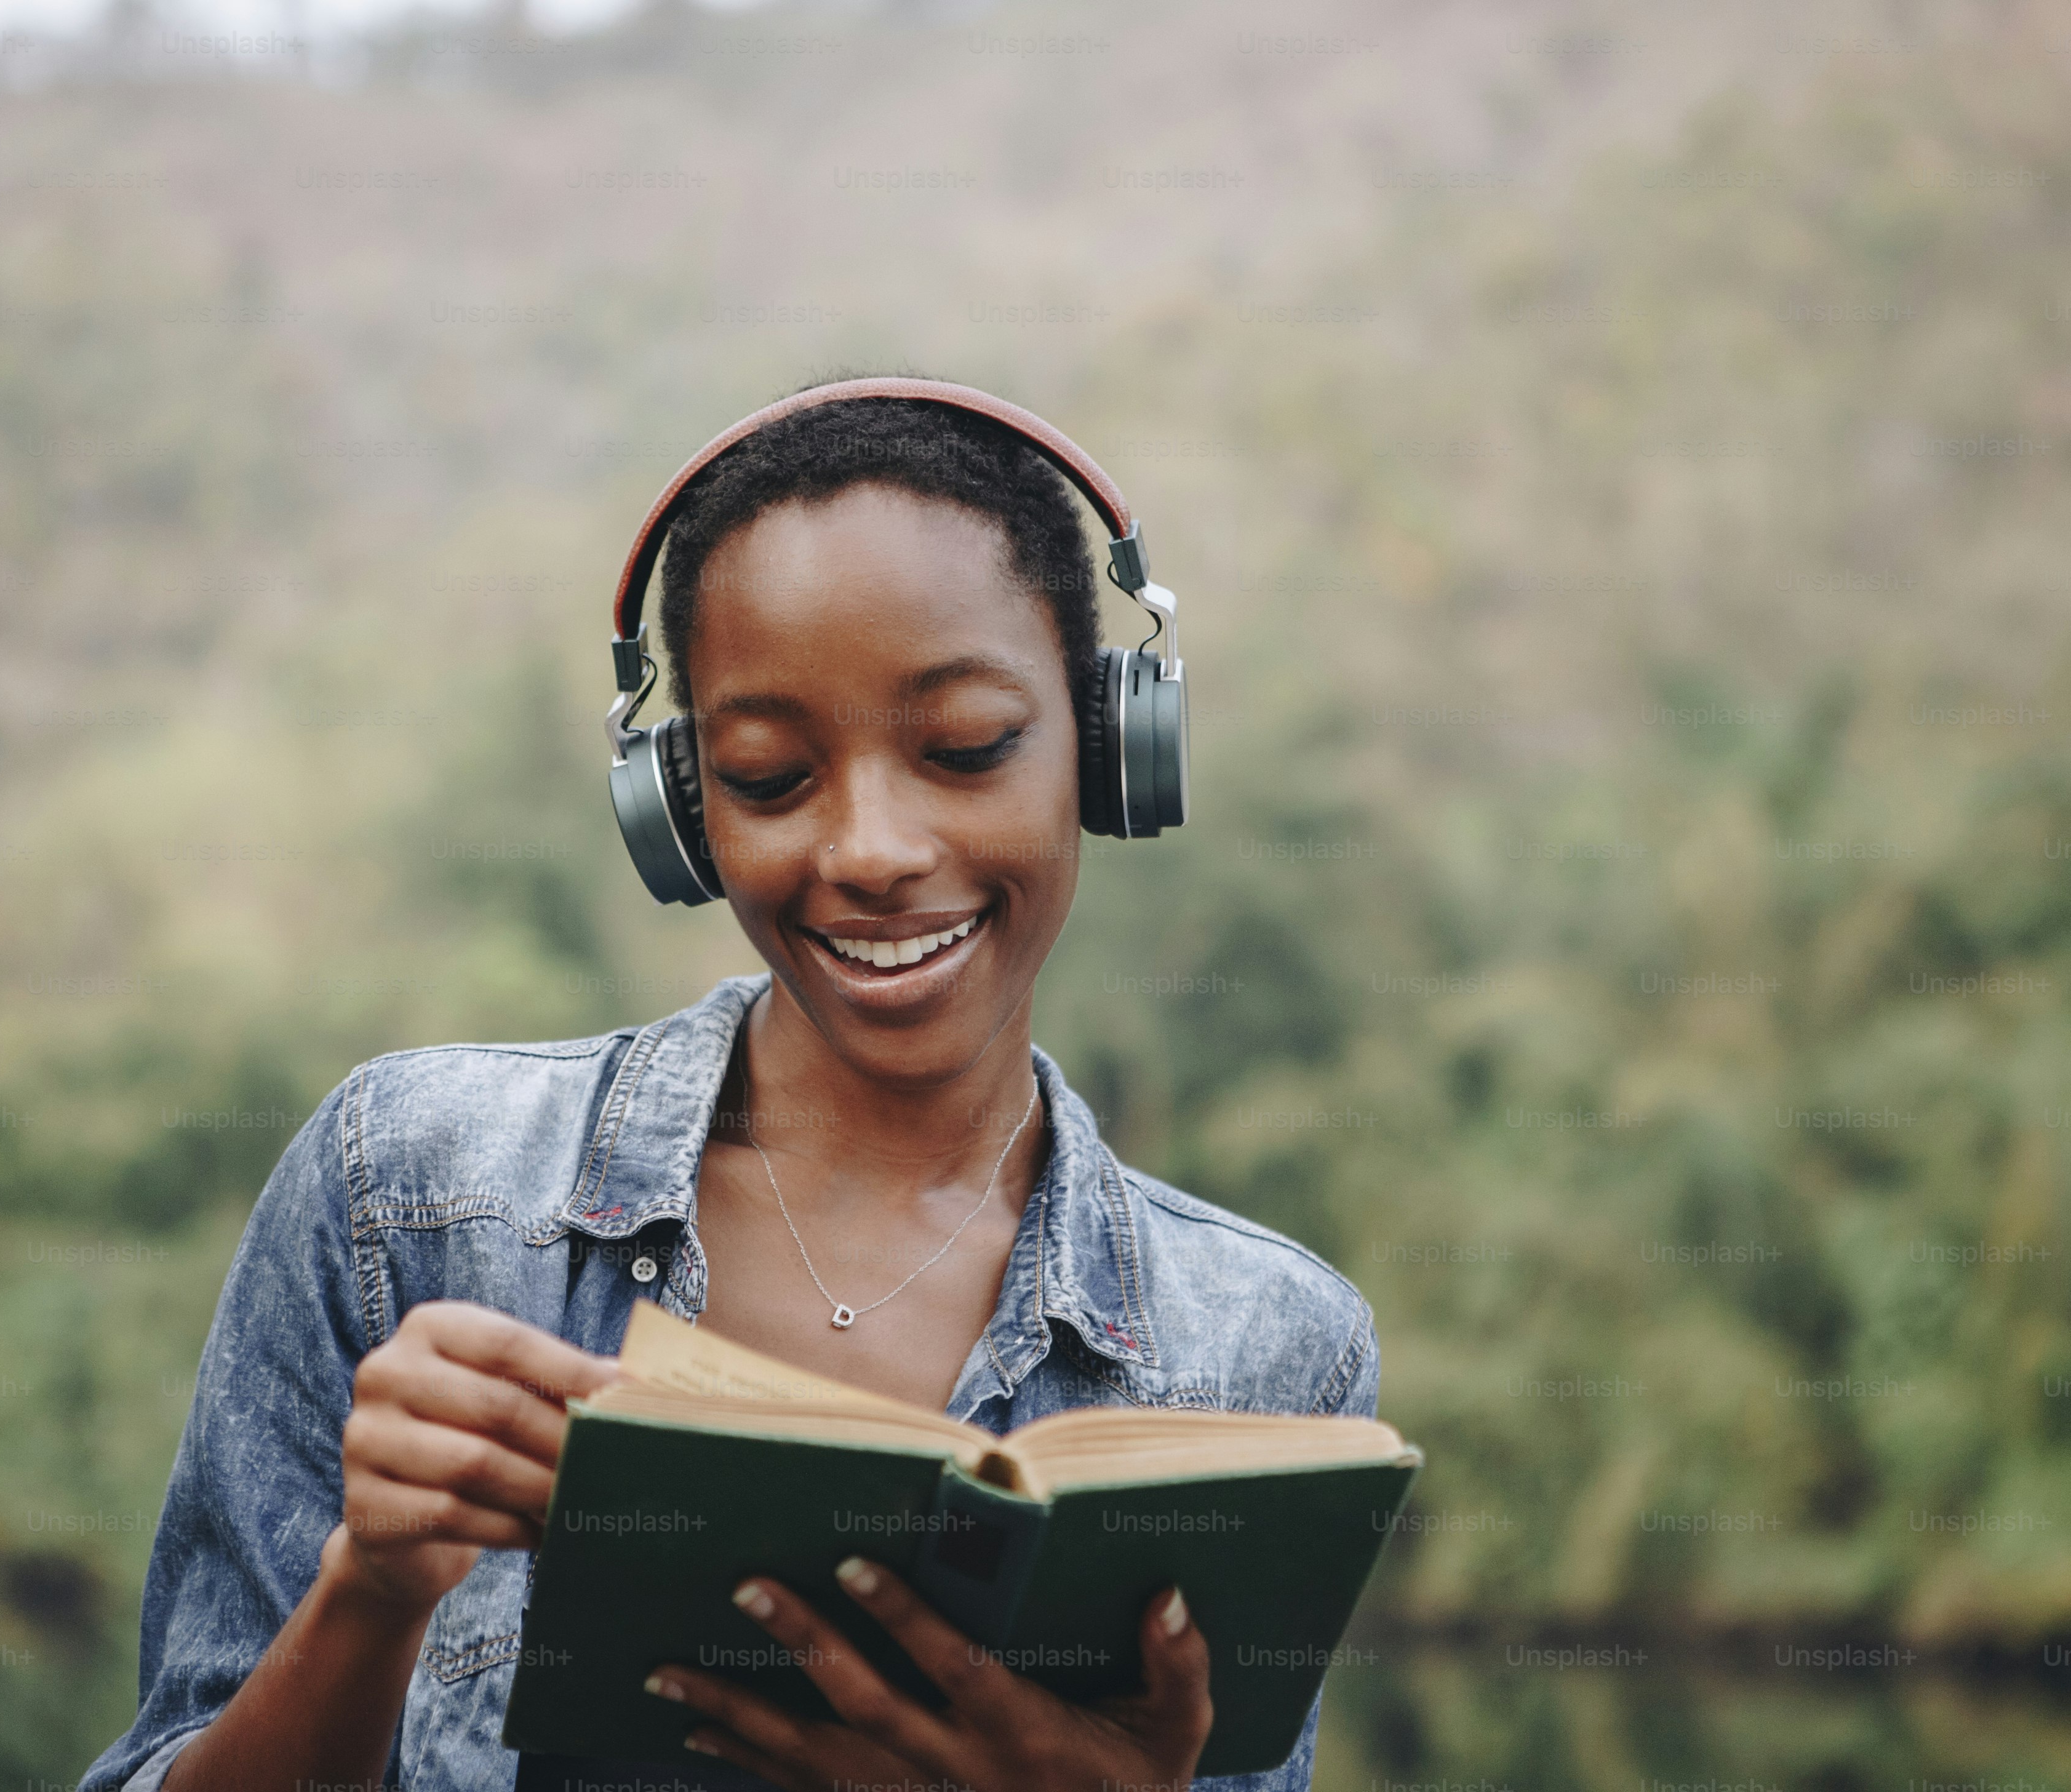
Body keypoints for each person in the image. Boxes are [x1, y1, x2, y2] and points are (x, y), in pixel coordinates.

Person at [79, 380, 1379, 1792]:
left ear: (1112, 744)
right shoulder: (410, 1191)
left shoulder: (1266, 1352)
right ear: (684, 809)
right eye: (769, 776)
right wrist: (371, 1593)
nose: (872, 849)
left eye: (965, 749)